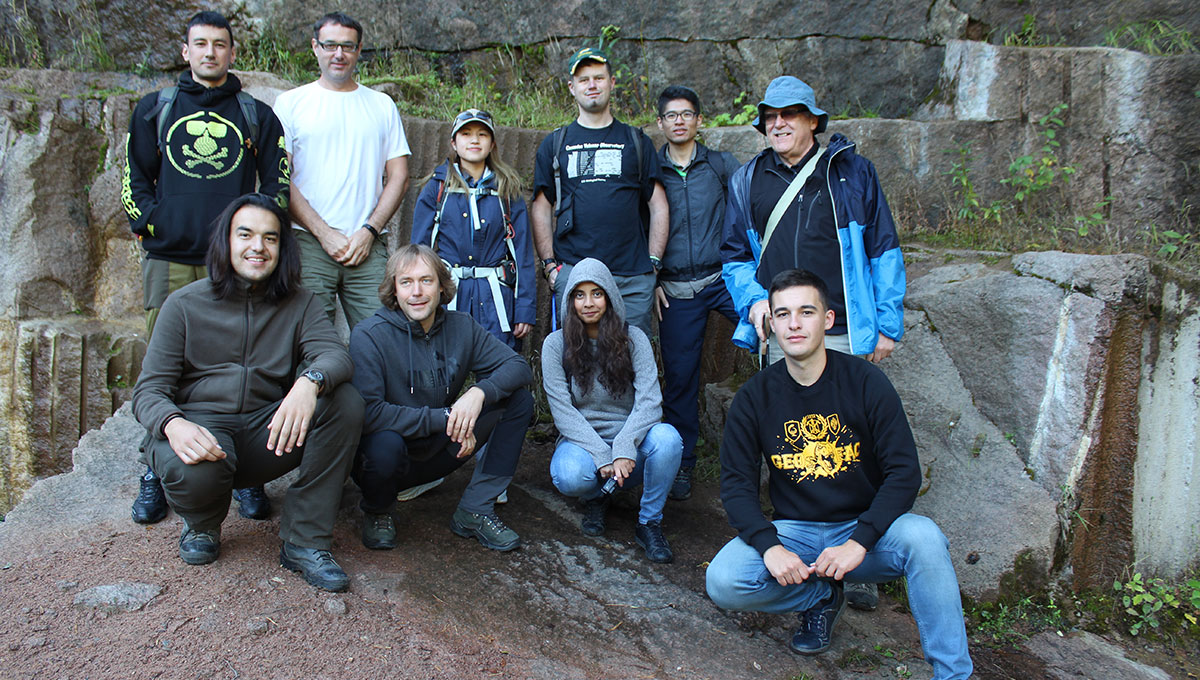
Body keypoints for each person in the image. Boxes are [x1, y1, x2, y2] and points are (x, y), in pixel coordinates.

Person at [705, 269, 972, 679]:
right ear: (771, 323)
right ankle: (819, 598)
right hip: (796, 532)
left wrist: (860, 541)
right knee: (724, 580)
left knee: (924, 538)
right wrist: (770, 546)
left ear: (827, 320)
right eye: (783, 314)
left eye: (806, 311)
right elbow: (737, 485)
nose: (794, 324)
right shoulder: (754, 398)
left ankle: (953, 673)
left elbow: (904, 473)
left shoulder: (866, 382)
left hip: (862, 533)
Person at [720, 75, 907, 611]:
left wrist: (888, 322)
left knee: (860, 445)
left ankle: (859, 557)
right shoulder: (748, 180)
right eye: (770, 116)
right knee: (804, 444)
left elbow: (883, 245)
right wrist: (754, 301)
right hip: (787, 330)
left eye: (791, 114)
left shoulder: (851, 171)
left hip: (848, 325)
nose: (779, 123)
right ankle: (812, 567)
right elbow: (734, 256)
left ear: (813, 121)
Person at [131, 193, 364, 592]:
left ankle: (304, 541)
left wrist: (310, 383)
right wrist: (172, 424)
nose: (258, 246)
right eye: (246, 235)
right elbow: (149, 390)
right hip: (201, 431)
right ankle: (202, 525)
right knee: (197, 472)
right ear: (226, 241)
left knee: (344, 402)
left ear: (281, 248)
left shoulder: (301, 302)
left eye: (271, 238)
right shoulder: (183, 304)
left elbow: (334, 355)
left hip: (266, 431)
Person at [123, 10, 289, 527]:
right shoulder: (155, 108)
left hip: (241, 264)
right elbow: (135, 178)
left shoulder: (256, 114)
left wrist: (257, 240)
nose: (210, 52)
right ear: (185, 50)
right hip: (172, 258)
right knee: (163, 362)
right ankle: (156, 463)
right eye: (201, 44)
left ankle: (249, 471)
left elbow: (277, 184)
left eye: (220, 44)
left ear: (232, 53)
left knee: (248, 354)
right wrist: (153, 225)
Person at [349, 244, 534, 552]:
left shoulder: (461, 326)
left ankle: (476, 508)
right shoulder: (368, 335)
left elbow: (517, 366)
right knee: (384, 443)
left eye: (426, 280)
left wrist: (478, 392)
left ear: (441, 285)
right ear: (394, 289)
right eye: (406, 282)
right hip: (388, 459)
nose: (417, 292)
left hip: (441, 450)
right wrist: (449, 418)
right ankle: (378, 510)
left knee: (519, 402)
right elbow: (370, 413)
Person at [273, 12, 411, 331]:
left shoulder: (381, 105)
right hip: (308, 241)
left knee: (383, 336)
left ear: (359, 50)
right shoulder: (291, 103)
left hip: (367, 243)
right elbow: (281, 176)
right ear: (315, 47)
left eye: (347, 46)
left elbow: (399, 176)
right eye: (330, 45)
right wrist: (324, 233)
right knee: (308, 338)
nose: (339, 54)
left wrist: (369, 231)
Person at [542, 258, 683, 563]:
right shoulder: (556, 345)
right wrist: (601, 454)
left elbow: (650, 402)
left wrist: (623, 446)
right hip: (583, 445)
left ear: (610, 297)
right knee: (568, 475)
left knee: (668, 439)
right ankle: (596, 497)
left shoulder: (634, 340)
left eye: (597, 293)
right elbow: (563, 411)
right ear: (570, 300)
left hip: (630, 450)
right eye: (580, 295)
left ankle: (649, 522)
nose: (588, 303)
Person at [531, 47, 668, 336]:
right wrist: (550, 267)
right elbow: (542, 207)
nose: (592, 85)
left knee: (632, 358)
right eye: (583, 80)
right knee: (579, 361)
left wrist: (653, 262)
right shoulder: (555, 143)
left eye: (598, 78)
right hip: (575, 275)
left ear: (612, 83)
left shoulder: (637, 141)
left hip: (632, 276)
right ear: (572, 87)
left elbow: (658, 204)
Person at [652, 85, 741, 501]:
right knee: (682, 380)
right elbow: (637, 227)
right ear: (661, 123)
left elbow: (748, 214)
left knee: (773, 339)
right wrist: (648, 280)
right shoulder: (650, 171)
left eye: (688, 113)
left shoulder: (721, 165)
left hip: (721, 279)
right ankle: (683, 463)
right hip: (675, 289)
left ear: (699, 120)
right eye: (671, 115)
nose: (680, 121)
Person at [411, 108, 535, 350]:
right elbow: (418, 253)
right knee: (444, 368)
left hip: (496, 298)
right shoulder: (436, 189)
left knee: (501, 370)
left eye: (482, 134)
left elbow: (523, 254)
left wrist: (525, 309)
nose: (475, 140)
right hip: (449, 295)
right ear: (454, 143)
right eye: (466, 134)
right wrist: (421, 303)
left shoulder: (507, 190)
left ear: (492, 144)